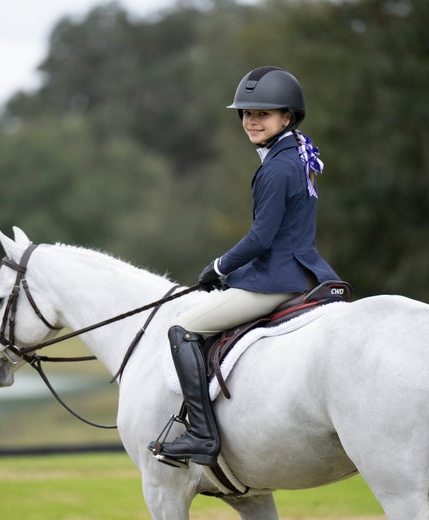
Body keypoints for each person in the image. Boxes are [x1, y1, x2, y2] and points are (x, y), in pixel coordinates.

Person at [150, 66, 339, 467]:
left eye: (263, 114)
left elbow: (261, 239)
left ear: (286, 117)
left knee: (182, 329)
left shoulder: (276, 168)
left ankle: (202, 434)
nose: (252, 121)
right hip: (307, 270)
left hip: (277, 280)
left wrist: (219, 267)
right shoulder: (299, 154)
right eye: (247, 114)